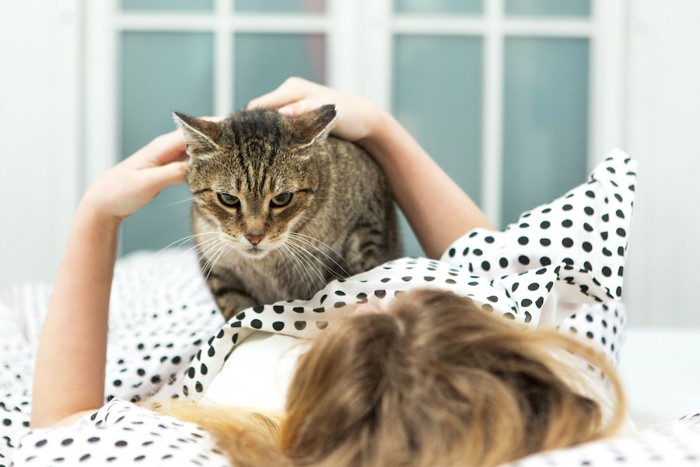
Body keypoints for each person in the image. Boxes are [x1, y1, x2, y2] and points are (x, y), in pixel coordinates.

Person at [4, 78, 637, 466]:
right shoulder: (562, 391)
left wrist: (96, 217)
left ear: (310, 390)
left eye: (378, 311)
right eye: (420, 298)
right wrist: (381, 128)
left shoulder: (239, 424)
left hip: (178, 330)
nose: (368, 295)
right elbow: (499, 262)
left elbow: (62, 427)